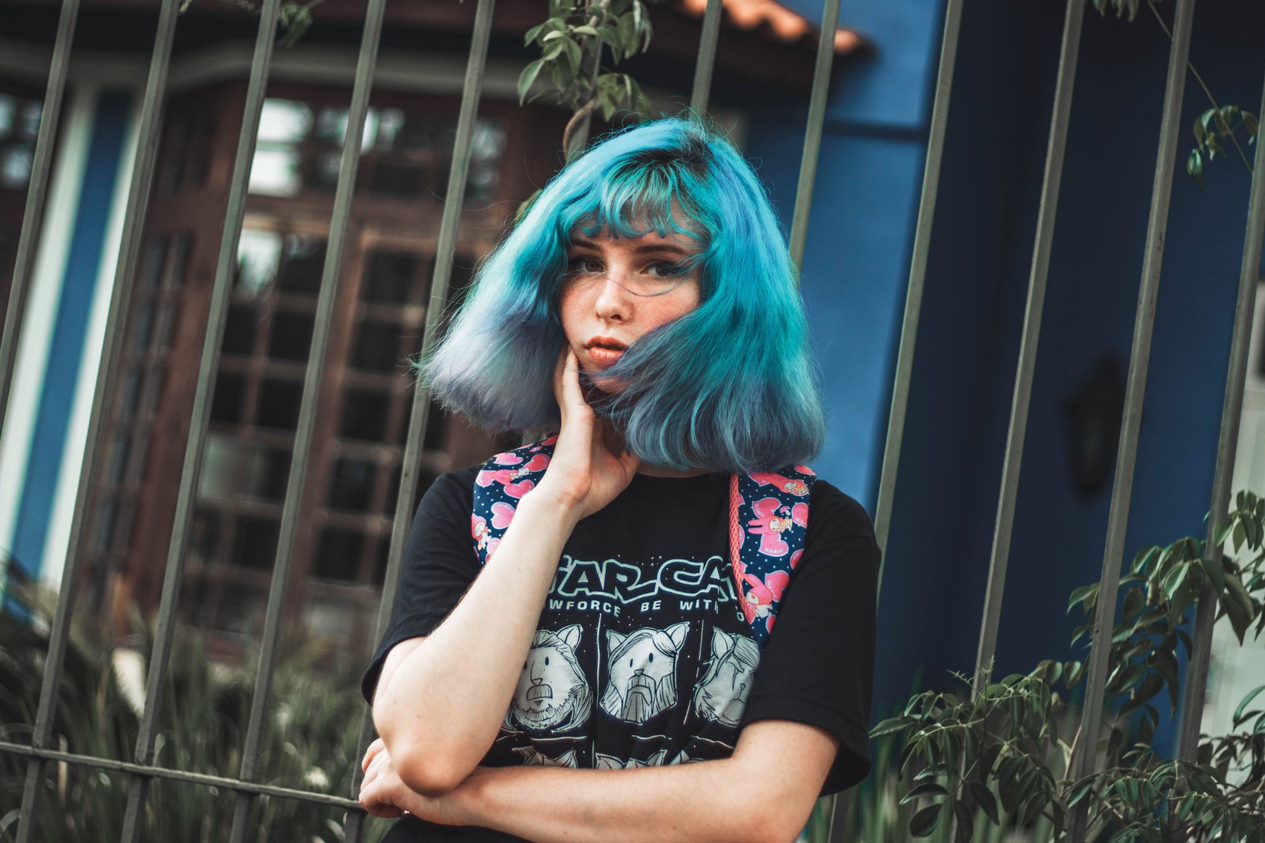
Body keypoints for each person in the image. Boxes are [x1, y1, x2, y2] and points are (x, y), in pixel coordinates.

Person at [357, 117, 880, 842]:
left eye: (658, 264)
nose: (607, 300)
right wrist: (560, 497)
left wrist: (469, 800)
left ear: (731, 301)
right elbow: (425, 748)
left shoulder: (810, 533)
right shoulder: (476, 506)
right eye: (583, 261)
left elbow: (759, 809)